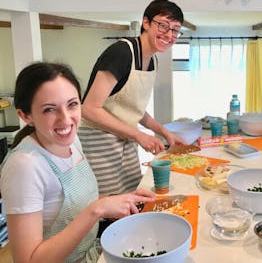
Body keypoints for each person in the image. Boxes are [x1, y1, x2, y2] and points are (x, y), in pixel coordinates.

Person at [0, 62, 156, 263]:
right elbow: (28, 260)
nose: (66, 119)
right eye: (49, 109)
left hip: (94, 252)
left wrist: (119, 200)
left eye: (72, 104)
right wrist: (97, 210)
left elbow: (78, 198)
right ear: (26, 116)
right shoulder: (24, 166)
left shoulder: (73, 141)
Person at [79, 0, 186, 196]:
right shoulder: (122, 53)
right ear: (146, 23)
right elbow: (89, 109)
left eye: (175, 30)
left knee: (130, 202)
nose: (169, 35)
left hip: (124, 140)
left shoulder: (151, 60)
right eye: (163, 25)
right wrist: (138, 135)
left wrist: (164, 132)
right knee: (109, 208)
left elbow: (132, 108)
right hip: (98, 143)